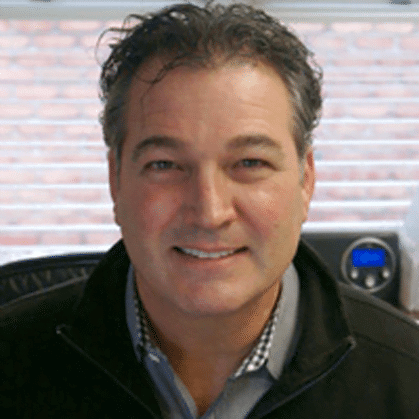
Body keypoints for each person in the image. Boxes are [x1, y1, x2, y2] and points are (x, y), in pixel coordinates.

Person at [1, 2, 419, 418]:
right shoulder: (11, 363)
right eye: (164, 165)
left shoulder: (407, 381)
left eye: (250, 163)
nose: (209, 211)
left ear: (305, 180)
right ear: (116, 180)